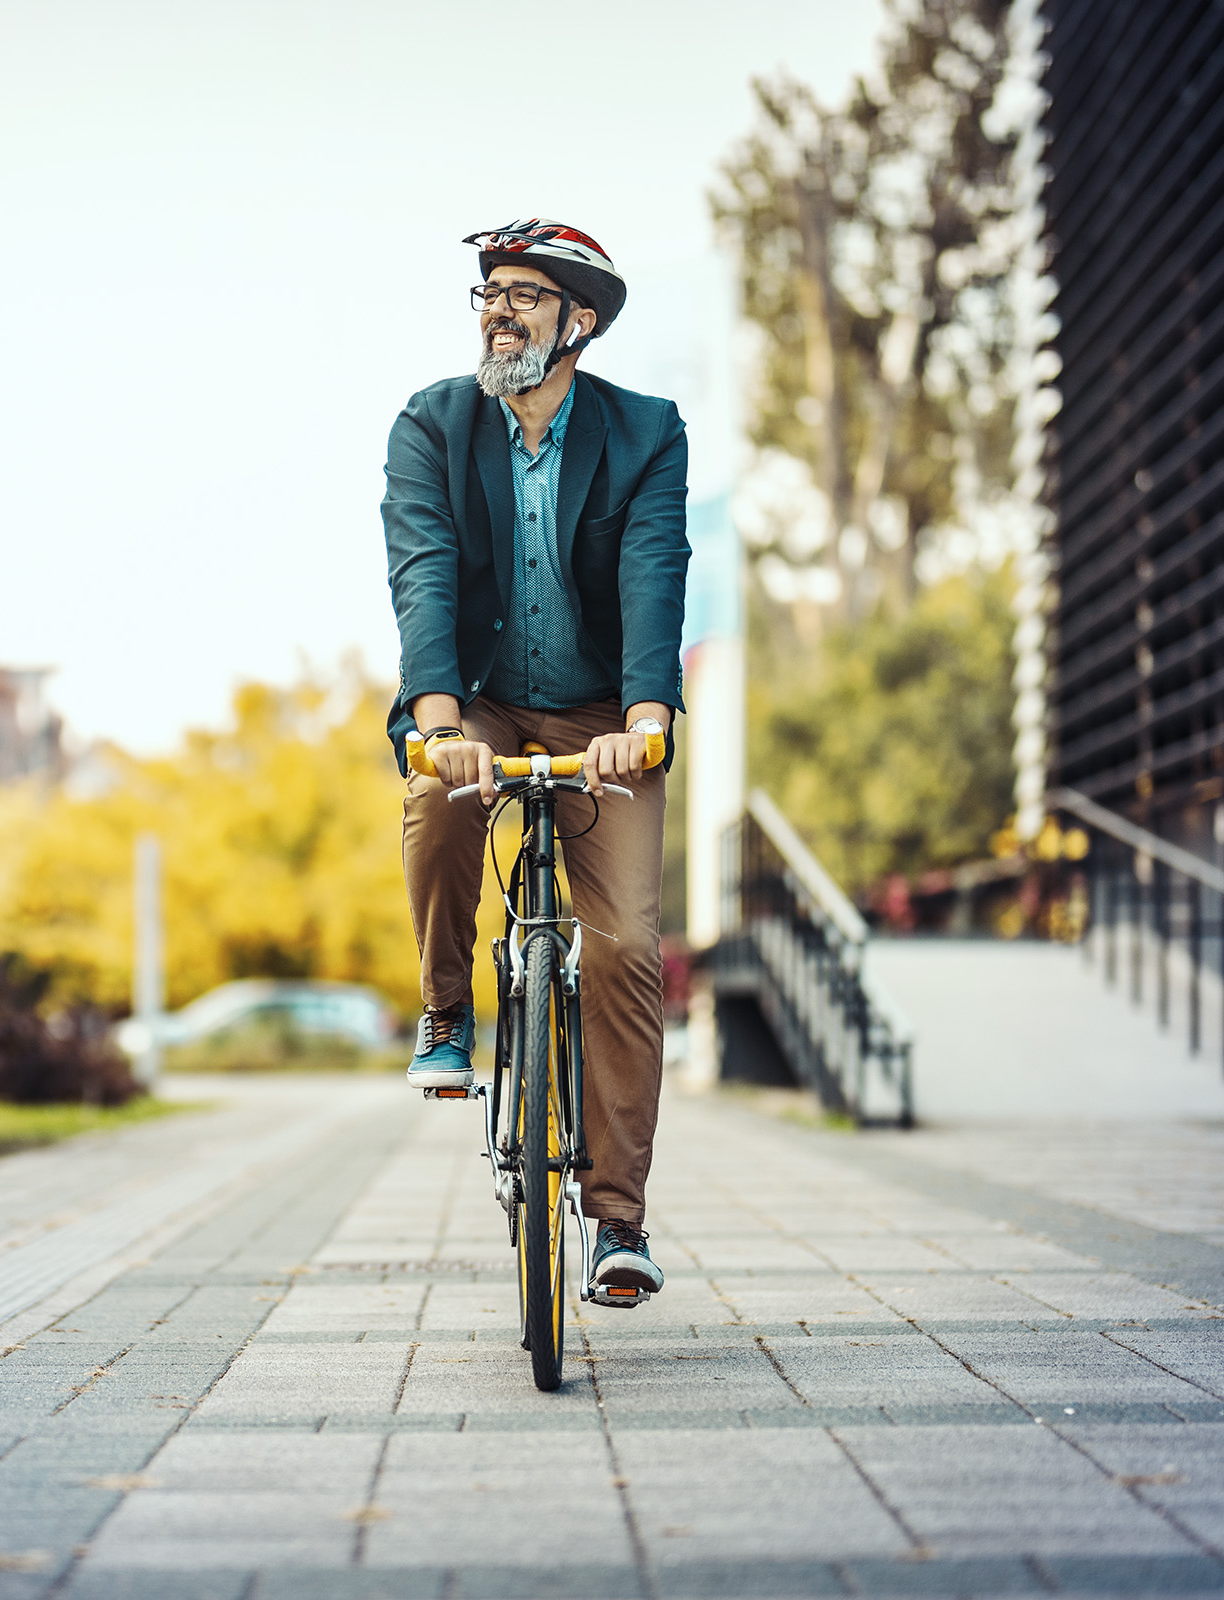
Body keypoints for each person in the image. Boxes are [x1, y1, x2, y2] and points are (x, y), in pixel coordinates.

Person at [381, 219, 688, 1300]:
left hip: (607, 710)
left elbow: (656, 570)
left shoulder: (645, 432)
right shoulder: (432, 423)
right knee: (438, 796)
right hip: (484, 701)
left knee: (620, 950)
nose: (499, 309)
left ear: (579, 321)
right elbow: (422, 570)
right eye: (489, 293)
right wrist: (440, 720)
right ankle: (445, 1009)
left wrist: (646, 714)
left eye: (524, 293)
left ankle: (616, 1227)